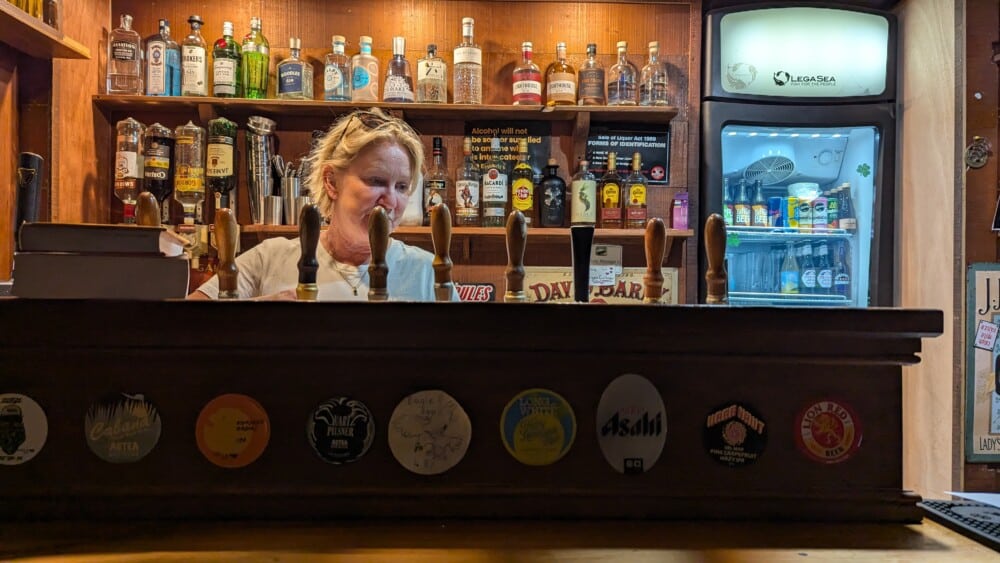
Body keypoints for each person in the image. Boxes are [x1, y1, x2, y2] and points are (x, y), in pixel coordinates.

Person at [188, 108, 456, 301]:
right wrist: (256, 318)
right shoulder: (269, 258)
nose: (391, 200)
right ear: (331, 181)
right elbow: (181, 330)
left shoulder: (426, 272)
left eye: (401, 187)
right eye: (376, 180)